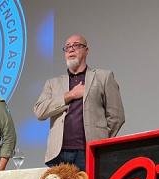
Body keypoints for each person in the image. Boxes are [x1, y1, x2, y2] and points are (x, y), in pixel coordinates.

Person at [34, 34, 125, 171]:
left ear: (86, 50)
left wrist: (99, 139)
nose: (71, 49)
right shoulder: (53, 83)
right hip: (58, 155)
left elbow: (116, 116)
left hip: (88, 152)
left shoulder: (103, 77)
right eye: (67, 47)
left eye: (76, 45)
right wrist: (70, 95)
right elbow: (39, 111)